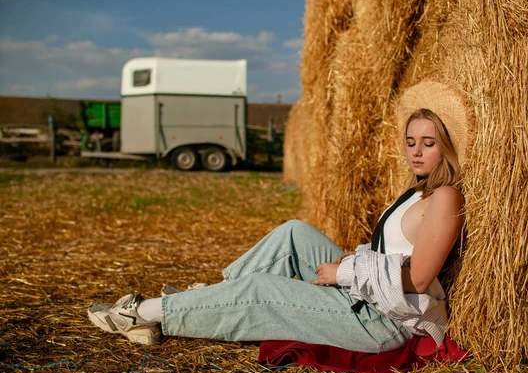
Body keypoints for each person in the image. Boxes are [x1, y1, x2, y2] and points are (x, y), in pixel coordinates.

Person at [88, 82, 469, 353]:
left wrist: (348, 273)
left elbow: (418, 279)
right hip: (370, 295)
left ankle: (140, 314)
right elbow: (393, 249)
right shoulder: (417, 192)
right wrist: (356, 257)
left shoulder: (445, 197)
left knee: (260, 290)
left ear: (447, 146)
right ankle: (214, 295)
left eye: (429, 143)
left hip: (383, 322)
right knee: (294, 232)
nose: (416, 151)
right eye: (410, 141)